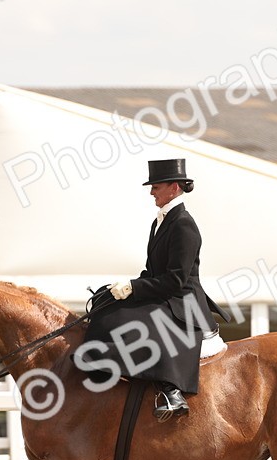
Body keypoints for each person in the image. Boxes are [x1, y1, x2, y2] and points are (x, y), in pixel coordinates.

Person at [75, 158, 229, 421]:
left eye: (156, 186)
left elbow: (176, 280)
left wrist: (134, 288)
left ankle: (171, 391)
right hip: (166, 294)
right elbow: (153, 272)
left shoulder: (183, 224)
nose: (151, 192)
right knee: (108, 306)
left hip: (184, 303)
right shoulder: (160, 221)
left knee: (133, 322)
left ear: (174, 187)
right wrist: (121, 288)